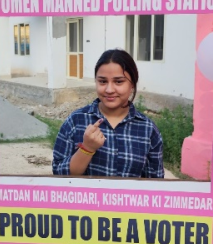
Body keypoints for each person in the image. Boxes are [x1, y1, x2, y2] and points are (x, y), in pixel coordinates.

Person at [52, 49, 164, 178]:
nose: (109, 90)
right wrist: (87, 149)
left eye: (118, 81)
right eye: (103, 81)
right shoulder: (76, 121)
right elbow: (58, 175)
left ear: (132, 84)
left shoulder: (148, 130)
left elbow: (155, 184)